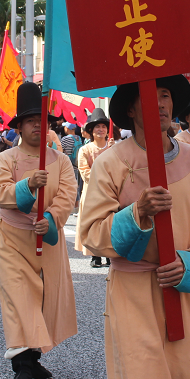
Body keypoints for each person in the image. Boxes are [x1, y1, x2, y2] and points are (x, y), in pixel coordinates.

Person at [79, 74, 190, 379]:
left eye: (166, 96)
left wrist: (188, 264)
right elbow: (90, 233)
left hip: (181, 290)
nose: (160, 103)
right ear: (130, 109)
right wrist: (136, 214)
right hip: (132, 294)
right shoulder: (111, 162)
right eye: (150, 95)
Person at [0, 82, 77, 379]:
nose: (37, 127)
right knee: (20, 299)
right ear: (20, 127)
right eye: (30, 122)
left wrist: (51, 218)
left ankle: (33, 357)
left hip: (47, 242)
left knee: (44, 299)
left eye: (41, 121)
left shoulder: (61, 160)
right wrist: (27, 186)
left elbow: (67, 194)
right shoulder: (6, 159)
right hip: (13, 239)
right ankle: (22, 370)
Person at [76, 108, 114, 268]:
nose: (101, 130)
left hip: (111, 193)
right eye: (97, 127)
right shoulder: (85, 150)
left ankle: (110, 254)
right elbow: (85, 173)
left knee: (110, 224)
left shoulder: (114, 148)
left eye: (104, 127)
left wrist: (113, 152)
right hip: (92, 193)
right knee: (93, 224)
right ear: (91, 131)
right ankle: (95, 256)